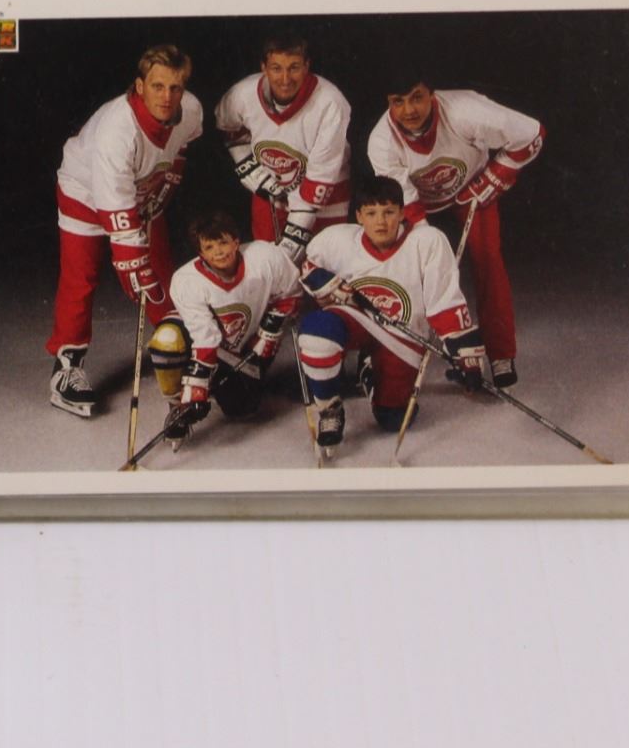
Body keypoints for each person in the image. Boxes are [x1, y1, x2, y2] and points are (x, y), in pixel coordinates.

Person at [45, 45, 204, 418]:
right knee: (82, 277)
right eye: (157, 86)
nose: (167, 97)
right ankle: (66, 367)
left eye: (175, 87)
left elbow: (185, 142)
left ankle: (177, 342)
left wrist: (169, 177)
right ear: (140, 86)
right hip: (85, 191)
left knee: (160, 270)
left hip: (138, 189)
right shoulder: (118, 130)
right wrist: (133, 262)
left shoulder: (191, 109)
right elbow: (114, 202)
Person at [367, 74, 544, 388]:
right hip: (417, 202)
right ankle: (396, 354)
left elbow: (532, 133)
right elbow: (406, 203)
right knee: (411, 270)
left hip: (470, 188)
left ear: (432, 93)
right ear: (388, 102)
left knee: (488, 259)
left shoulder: (466, 110)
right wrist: (431, 258)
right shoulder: (381, 142)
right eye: (398, 101)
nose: (409, 110)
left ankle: (500, 353)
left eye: (417, 97)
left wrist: (494, 176)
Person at [294, 176, 487, 447]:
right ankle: (329, 408)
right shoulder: (338, 240)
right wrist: (328, 284)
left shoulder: (426, 242)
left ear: (402, 213)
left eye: (388, 212)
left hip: (402, 337)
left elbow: (444, 299)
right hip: (357, 319)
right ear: (359, 216)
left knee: (394, 419)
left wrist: (466, 357)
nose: (380, 222)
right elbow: (307, 266)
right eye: (371, 213)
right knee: (317, 333)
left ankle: (369, 370)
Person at [149, 210, 303, 444]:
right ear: (200, 253)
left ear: (236, 242)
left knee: (242, 408)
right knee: (166, 341)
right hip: (198, 337)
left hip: (238, 348)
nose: (219, 252)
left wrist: (268, 334)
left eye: (223, 242)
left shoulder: (265, 257)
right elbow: (205, 337)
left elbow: (292, 292)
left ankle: (212, 385)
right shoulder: (187, 280)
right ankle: (177, 404)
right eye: (209, 247)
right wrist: (195, 390)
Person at [213, 32, 352, 264]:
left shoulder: (331, 102)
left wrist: (293, 237)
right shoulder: (242, 94)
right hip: (271, 187)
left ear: (307, 66)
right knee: (267, 264)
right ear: (263, 68)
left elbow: (321, 175)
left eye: (294, 67)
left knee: (326, 264)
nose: (285, 79)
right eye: (276, 68)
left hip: (328, 190)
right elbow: (228, 127)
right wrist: (250, 168)